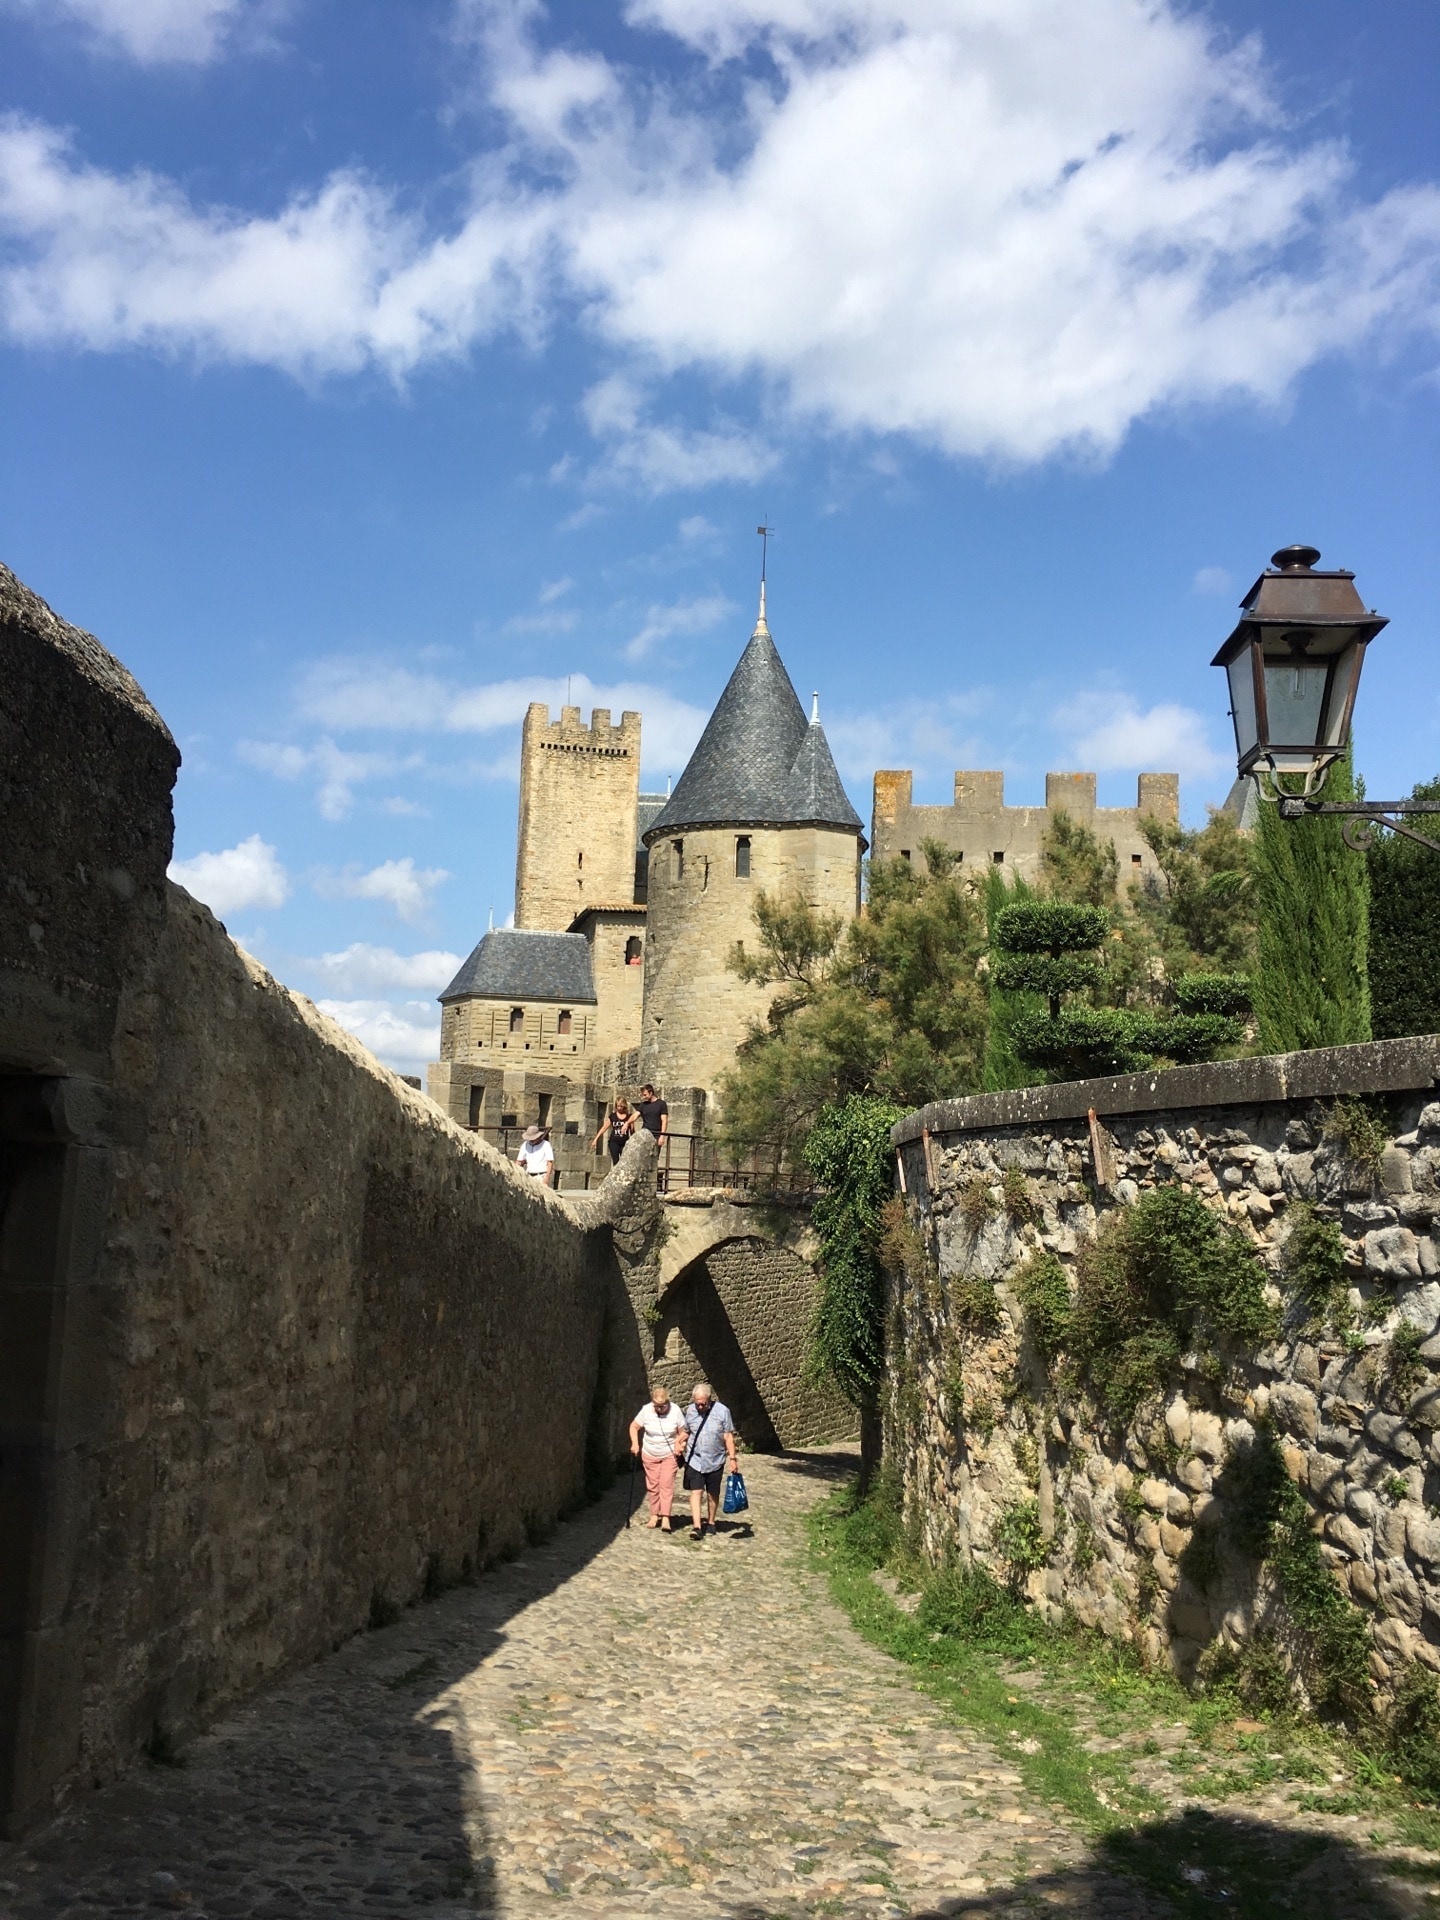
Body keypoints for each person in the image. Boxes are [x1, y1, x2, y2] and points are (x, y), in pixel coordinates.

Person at [680, 1382, 738, 1540]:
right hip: (695, 1461)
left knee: (713, 1494)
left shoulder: (722, 1412)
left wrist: (732, 1458)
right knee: (696, 1492)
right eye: (697, 1403)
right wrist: (679, 1443)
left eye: (703, 1404)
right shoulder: (690, 1411)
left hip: (715, 1461)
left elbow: (728, 1437)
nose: (699, 1407)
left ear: (709, 1399)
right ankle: (697, 1526)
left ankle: (711, 1521)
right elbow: (686, 1431)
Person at [629, 1383, 686, 1531]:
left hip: (669, 1454)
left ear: (668, 1402)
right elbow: (634, 1427)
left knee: (666, 1484)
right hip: (650, 1453)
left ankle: (666, 1517)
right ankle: (654, 1515)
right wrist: (635, 1443)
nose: (659, 1409)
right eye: (656, 1406)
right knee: (652, 1486)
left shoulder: (675, 1411)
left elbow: (683, 1432)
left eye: (662, 1406)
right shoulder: (646, 1410)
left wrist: (680, 1444)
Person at [590, 1097, 635, 1166]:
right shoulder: (613, 1116)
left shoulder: (629, 1116)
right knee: (616, 1161)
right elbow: (604, 1128)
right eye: (618, 1106)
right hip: (614, 1141)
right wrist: (595, 1139)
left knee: (625, 1162)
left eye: (621, 1106)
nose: (619, 1108)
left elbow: (632, 1131)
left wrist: (633, 1140)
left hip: (624, 1142)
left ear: (624, 1106)